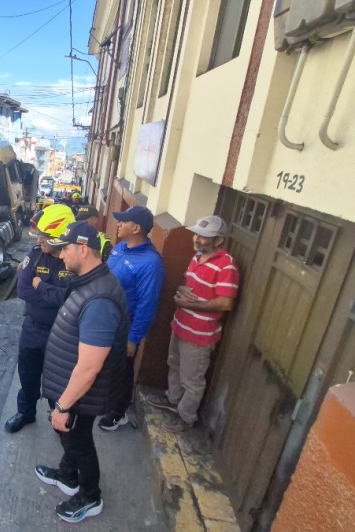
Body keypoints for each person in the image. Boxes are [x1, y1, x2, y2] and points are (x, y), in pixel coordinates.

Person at [35, 221, 129, 523]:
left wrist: (63, 405)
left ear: (83, 249)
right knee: (70, 437)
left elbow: (90, 366)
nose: (61, 255)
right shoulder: (88, 283)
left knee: (79, 441)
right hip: (67, 386)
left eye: (65, 248)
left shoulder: (99, 300)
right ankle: (67, 476)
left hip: (77, 395)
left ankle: (90, 496)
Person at [146, 215, 239, 432]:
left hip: (199, 335)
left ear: (219, 241)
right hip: (180, 325)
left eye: (204, 236)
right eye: (197, 234)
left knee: (193, 380)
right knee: (174, 365)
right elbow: (185, 284)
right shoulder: (197, 257)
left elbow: (225, 303)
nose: (197, 239)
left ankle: (186, 417)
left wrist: (190, 305)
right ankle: (173, 401)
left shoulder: (227, 266)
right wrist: (181, 290)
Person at [5, 204, 76, 433]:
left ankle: (57, 416)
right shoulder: (35, 257)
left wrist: (41, 287)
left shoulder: (73, 262)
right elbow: (24, 291)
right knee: (27, 373)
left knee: (59, 381)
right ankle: (25, 413)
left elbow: (72, 298)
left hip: (62, 333)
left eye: (45, 236)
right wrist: (54, 294)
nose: (40, 241)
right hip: (33, 329)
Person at [98, 206, 165, 431]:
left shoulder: (150, 263)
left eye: (123, 222)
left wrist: (133, 338)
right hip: (106, 320)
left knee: (122, 371)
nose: (118, 224)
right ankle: (106, 401)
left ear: (136, 228)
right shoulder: (120, 248)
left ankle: (119, 413)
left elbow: (148, 304)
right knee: (106, 366)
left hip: (124, 328)